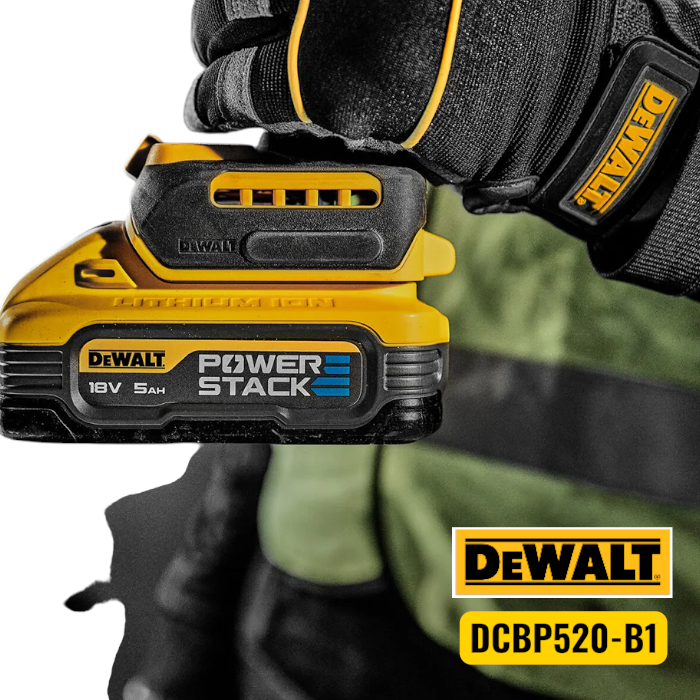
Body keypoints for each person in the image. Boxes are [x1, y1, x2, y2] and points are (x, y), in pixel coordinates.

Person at [127, 1, 700, 699]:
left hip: (616, 630)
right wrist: (198, 597)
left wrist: (608, 116)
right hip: (314, 584)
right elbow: (294, 306)